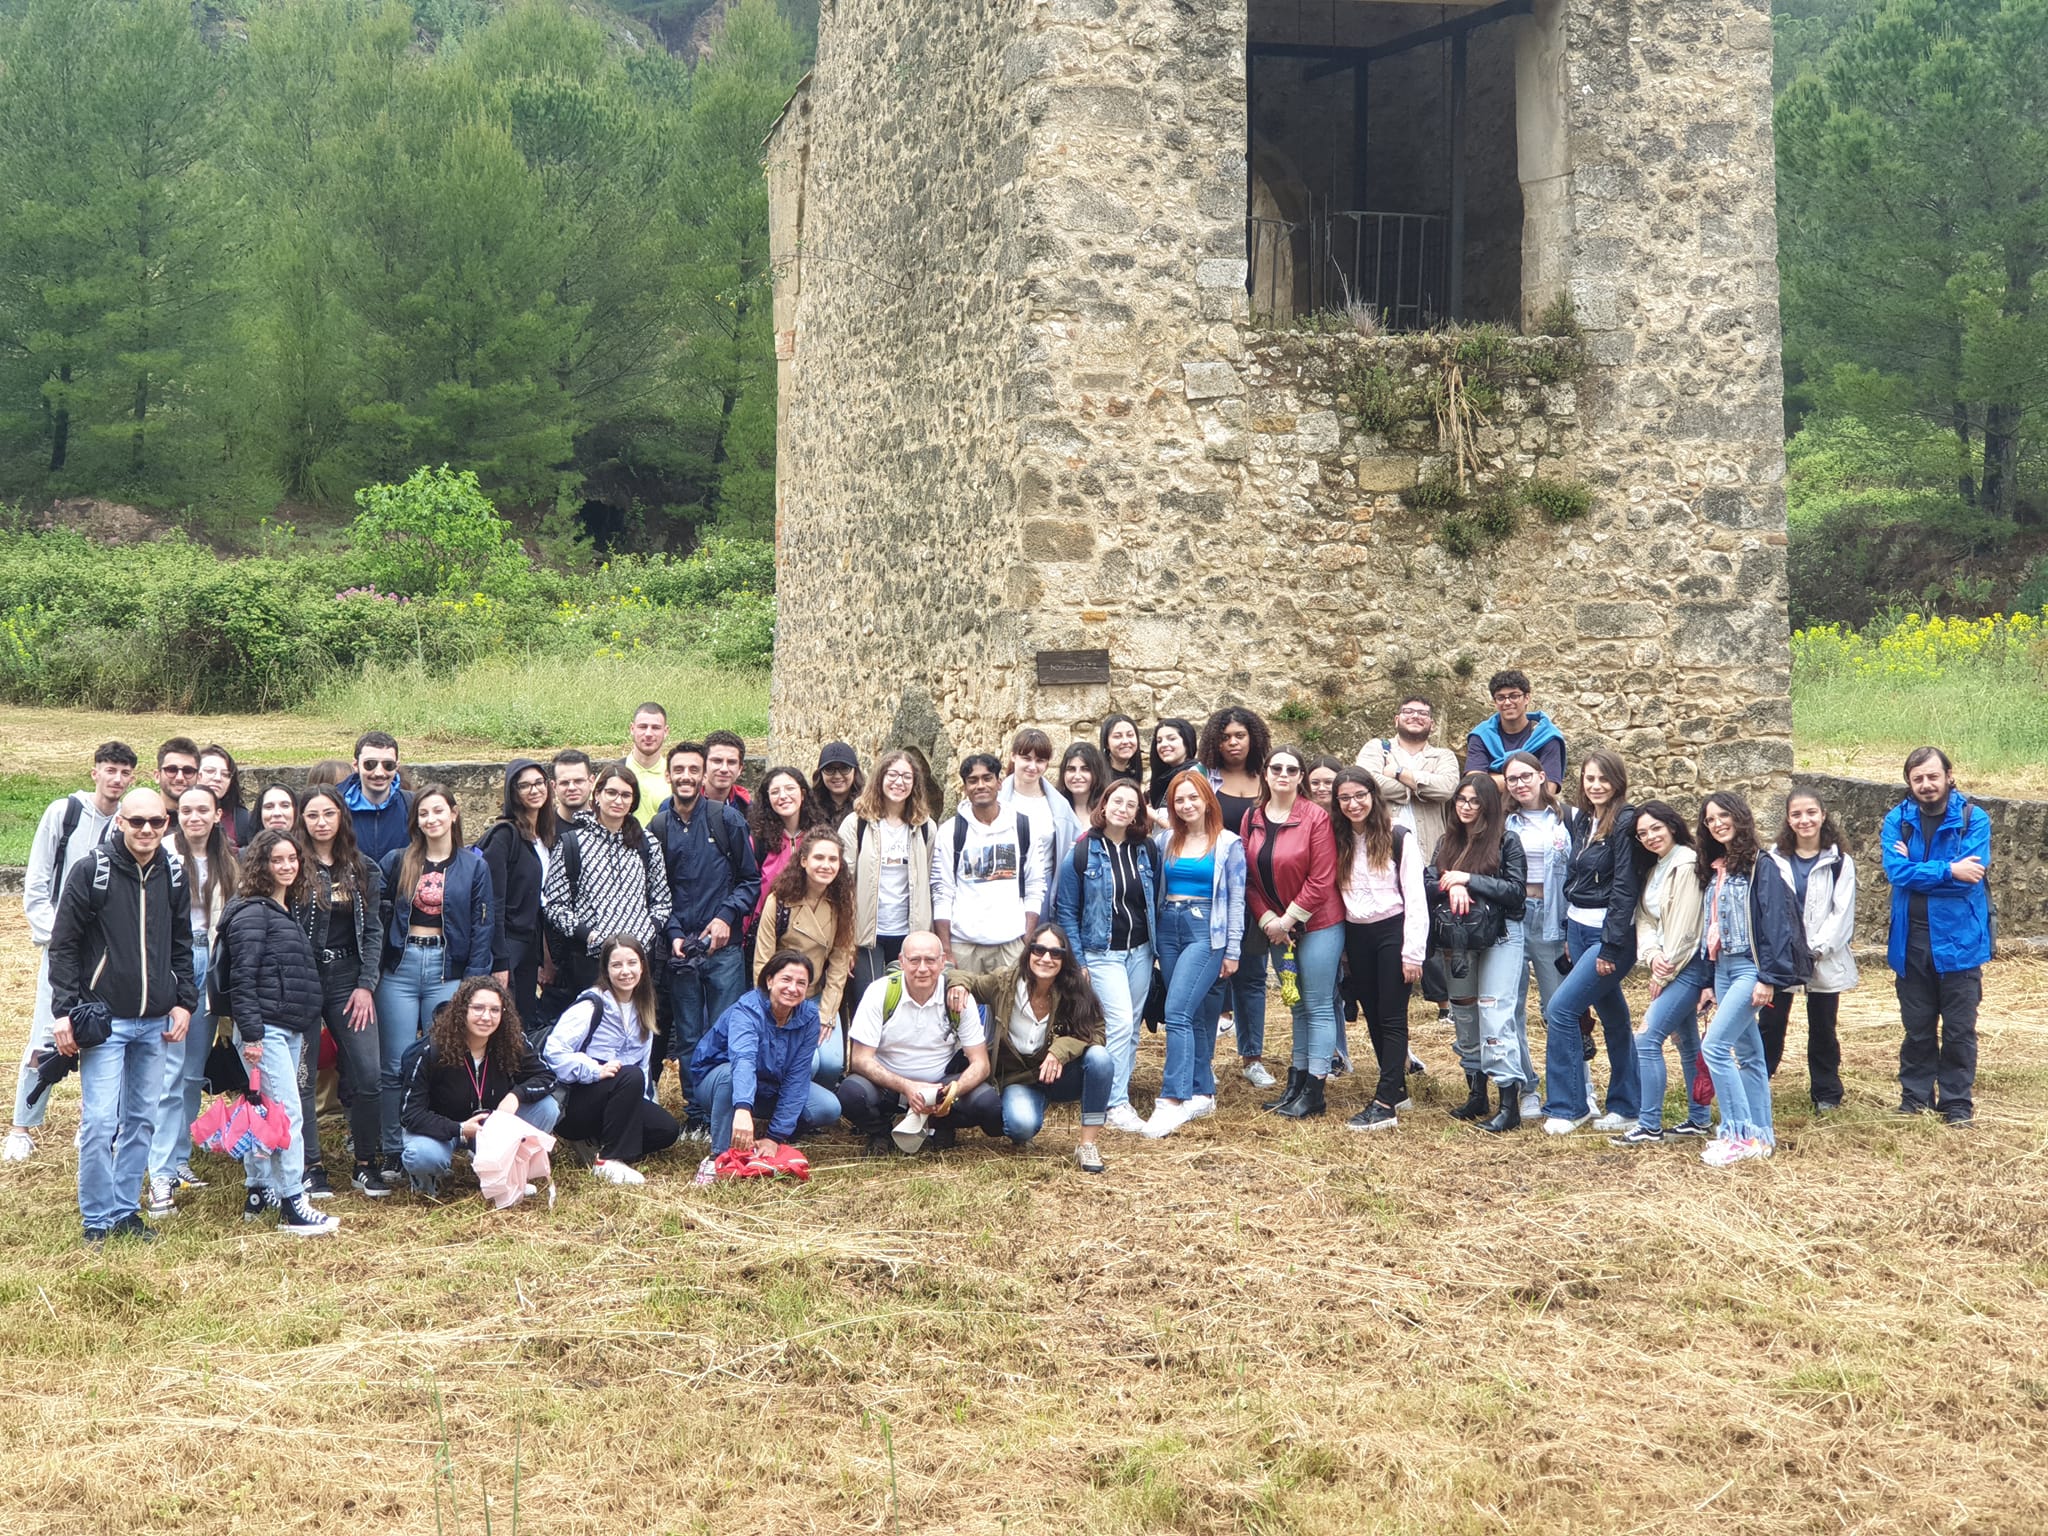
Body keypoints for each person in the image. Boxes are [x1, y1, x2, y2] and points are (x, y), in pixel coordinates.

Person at [46, 786, 196, 1243]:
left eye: (156, 822)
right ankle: (97, 1219)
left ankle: (126, 1211)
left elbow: (182, 944)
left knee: (142, 1120)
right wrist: (63, 1011)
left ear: (166, 824)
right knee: (98, 1123)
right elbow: (64, 945)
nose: (147, 830)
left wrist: (183, 1000)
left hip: (155, 1021)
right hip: (105, 1020)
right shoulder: (92, 870)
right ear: (120, 823)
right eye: (137, 822)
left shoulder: (173, 872)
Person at [6, 740, 133, 1163]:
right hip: (63, 949)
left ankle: (93, 1124)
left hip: (108, 955)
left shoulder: (131, 822)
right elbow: (37, 886)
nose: (116, 779)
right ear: (94, 771)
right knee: (47, 1034)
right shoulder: (65, 814)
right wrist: (59, 937)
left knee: (105, 1039)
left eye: (124, 772)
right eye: (109, 769)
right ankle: (22, 1126)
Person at [222, 829, 339, 1235]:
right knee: (288, 1114)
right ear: (261, 864)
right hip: (265, 1032)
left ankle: (259, 1191)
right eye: (278, 860)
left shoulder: (278, 909)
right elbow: (244, 978)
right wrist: (253, 1035)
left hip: (283, 1028)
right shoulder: (254, 912)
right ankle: (293, 1201)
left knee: (264, 1114)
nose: (287, 866)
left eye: (293, 859)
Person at [377, 784, 496, 1174]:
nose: (431, 820)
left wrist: (473, 985)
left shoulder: (473, 865)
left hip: (449, 969)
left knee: (444, 1057)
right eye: (423, 814)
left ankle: (446, 1137)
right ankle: (394, 1146)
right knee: (395, 1064)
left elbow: (483, 929)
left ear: (453, 814)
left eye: (438, 811)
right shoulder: (398, 861)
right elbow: (379, 916)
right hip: (401, 968)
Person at [648, 740, 759, 1138]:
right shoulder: (657, 828)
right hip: (680, 951)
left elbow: (751, 881)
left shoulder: (726, 821)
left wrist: (727, 916)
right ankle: (696, 1114)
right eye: (679, 770)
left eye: (693, 770)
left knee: (727, 1031)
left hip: (723, 950)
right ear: (669, 774)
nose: (686, 777)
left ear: (702, 775)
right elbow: (654, 891)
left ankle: (724, 1112)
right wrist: (674, 932)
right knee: (690, 1036)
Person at [1693, 792, 1802, 1166]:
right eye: (1710, 819)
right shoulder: (1715, 866)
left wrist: (1768, 977)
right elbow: (1710, 926)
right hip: (1722, 967)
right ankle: (1761, 1135)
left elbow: (1776, 923)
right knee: (1751, 1055)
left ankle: (1737, 1133)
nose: (1717, 823)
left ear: (1740, 817)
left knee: (1715, 1048)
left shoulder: (1761, 865)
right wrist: (1708, 980)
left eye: (1724, 815)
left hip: (1749, 969)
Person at [1882, 747, 1990, 1125]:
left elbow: (1969, 880)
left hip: (1960, 943)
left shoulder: (1973, 820)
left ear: (1948, 776)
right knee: (1917, 1028)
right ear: (1909, 782)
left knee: (1960, 1030)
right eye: (1918, 779)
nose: (1926, 785)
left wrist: (1917, 867)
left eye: (1932, 776)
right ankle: (1915, 1098)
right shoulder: (1897, 820)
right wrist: (1948, 869)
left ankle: (1956, 1102)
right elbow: (1896, 873)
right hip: (1910, 943)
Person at [949, 923, 1113, 1171]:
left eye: (1055, 953)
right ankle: (1025, 1118)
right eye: (1039, 950)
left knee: (1100, 1059)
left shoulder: (1075, 988)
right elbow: (964, 978)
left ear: (1064, 958)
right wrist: (958, 985)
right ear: (1029, 952)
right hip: (1020, 1078)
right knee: (1021, 1126)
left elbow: (1097, 1033)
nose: (1046, 958)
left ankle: (1087, 1144)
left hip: (1061, 1076)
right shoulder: (1005, 982)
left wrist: (1060, 1050)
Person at [1538, 751, 1642, 1136]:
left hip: (1608, 934)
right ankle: (1628, 1105)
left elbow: (1624, 889)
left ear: (1617, 781)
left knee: (1562, 1009)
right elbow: (1575, 879)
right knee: (1614, 1015)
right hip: (1579, 929)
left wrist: (1612, 946)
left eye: (1603, 779)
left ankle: (1569, 1106)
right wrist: (1569, 932)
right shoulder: (1582, 820)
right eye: (1588, 778)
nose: (1595, 785)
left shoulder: (1625, 822)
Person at [145, 785, 235, 1214]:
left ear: (218, 814)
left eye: (204, 810)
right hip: (173, 964)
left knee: (192, 1075)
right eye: (187, 810)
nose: (194, 816)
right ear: (176, 814)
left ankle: (179, 1160)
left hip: (213, 965)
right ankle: (159, 1170)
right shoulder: (161, 853)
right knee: (168, 1072)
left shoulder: (229, 861)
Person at [296, 784, 389, 1196]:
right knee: (301, 1077)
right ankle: (310, 1164)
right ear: (302, 820)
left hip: (349, 979)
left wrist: (367, 985)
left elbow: (373, 932)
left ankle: (366, 1162)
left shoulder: (362, 867)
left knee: (369, 1075)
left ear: (341, 818)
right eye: (313, 815)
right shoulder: (291, 863)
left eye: (328, 814)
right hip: (302, 982)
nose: (321, 822)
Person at [1242, 745, 1343, 1119]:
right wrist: (1268, 918)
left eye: (1291, 769)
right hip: (1276, 928)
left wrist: (1288, 920)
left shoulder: (1315, 817)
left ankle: (1315, 1089)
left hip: (1317, 924)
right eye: (1276, 768)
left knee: (1316, 1006)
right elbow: (1248, 877)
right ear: (1265, 774)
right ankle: (1296, 1083)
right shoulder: (1252, 816)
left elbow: (1321, 879)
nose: (1283, 775)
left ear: (1301, 777)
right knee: (1296, 1006)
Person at [1054, 779, 1160, 1134]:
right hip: (1102, 954)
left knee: (1130, 1028)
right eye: (1118, 801)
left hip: (1140, 951)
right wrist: (1079, 960)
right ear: (1105, 804)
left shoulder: (1146, 849)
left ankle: (1117, 1093)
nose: (1123, 809)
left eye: (1132, 805)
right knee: (1116, 1025)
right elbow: (1066, 909)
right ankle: (1113, 1104)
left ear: (1137, 813)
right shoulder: (1083, 850)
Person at [1426, 774, 1529, 1133]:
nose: (1467, 807)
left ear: (1488, 804)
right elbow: (1427, 883)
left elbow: (1516, 892)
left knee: (1495, 1011)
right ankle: (1476, 1091)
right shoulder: (1447, 841)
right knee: (1464, 1012)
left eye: (1474, 801)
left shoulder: (1506, 841)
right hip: (1457, 938)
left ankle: (1508, 1102)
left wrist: (1466, 880)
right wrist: (1448, 884)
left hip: (1500, 934)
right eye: (1461, 800)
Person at [1144, 770, 1243, 1139]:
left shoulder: (1228, 844)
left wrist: (1231, 950)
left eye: (1192, 798)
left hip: (1206, 931)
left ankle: (1173, 1098)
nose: (1186, 806)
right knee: (1198, 1013)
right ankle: (1203, 1089)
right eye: (1179, 800)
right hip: (1170, 926)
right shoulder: (1165, 840)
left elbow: (1235, 902)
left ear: (1206, 800)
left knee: (1177, 1011)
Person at [836, 931, 998, 1154]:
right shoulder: (880, 992)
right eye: (914, 960)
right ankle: (881, 1131)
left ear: (943, 963)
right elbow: (860, 1060)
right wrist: (908, 1087)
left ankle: (940, 1123)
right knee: (850, 1094)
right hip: (888, 1087)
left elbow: (981, 1064)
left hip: (942, 1085)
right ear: (901, 961)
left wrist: (951, 1093)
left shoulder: (959, 997)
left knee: (987, 1102)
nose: (922, 968)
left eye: (930, 960)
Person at [398, 977, 560, 1197]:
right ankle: (425, 1184)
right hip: (444, 1129)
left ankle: (500, 1169)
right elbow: (410, 1114)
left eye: (495, 1010)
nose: (487, 1017)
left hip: (491, 1127)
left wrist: (516, 1095)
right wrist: (460, 1128)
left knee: (547, 1107)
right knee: (423, 1155)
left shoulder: (511, 1042)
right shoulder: (430, 1050)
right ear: (461, 1010)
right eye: (478, 1008)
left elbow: (547, 1077)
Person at [1331, 769, 1426, 1131]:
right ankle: (1397, 1087)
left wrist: (1412, 952)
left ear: (1373, 795)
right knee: (1371, 1012)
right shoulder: (1337, 839)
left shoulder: (1398, 836)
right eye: (1345, 798)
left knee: (1392, 1014)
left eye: (1360, 795)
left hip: (1392, 931)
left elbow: (1415, 898)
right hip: (1357, 935)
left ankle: (1385, 1104)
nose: (1353, 804)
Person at [1610, 802, 1709, 1147]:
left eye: (1655, 828)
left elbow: (1685, 929)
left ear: (1671, 825)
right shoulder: (1656, 869)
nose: (1650, 837)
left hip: (1687, 967)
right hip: (1666, 963)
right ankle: (1698, 1118)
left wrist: (1662, 973)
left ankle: (1649, 1123)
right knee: (1686, 1043)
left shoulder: (1685, 864)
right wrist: (1651, 956)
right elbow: (1646, 920)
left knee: (1647, 1039)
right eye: (1642, 833)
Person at [544, 936, 681, 1182]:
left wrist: (646, 1105)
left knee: (666, 1130)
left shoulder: (644, 1008)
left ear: (643, 966)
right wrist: (593, 1070)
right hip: (578, 1103)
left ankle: (595, 1144)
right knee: (629, 1075)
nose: (625, 971)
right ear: (606, 970)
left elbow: (644, 1066)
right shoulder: (592, 1004)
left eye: (632, 963)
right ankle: (610, 1159)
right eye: (616, 965)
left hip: (620, 1097)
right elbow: (553, 1051)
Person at [689, 949, 842, 1163]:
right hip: (718, 1085)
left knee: (828, 1107)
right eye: (786, 979)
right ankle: (720, 1156)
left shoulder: (808, 1018)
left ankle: (775, 1136)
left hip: (768, 1086)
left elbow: (797, 1077)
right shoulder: (747, 1010)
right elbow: (743, 1061)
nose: (792, 988)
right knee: (730, 1076)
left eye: (801, 983)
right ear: (769, 981)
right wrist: (742, 1109)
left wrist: (774, 1137)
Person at [541, 763, 673, 1011]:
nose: (618, 800)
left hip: (638, 958)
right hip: (590, 960)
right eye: (611, 792)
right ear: (597, 795)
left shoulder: (648, 843)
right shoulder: (572, 843)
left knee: (637, 1027)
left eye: (625, 795)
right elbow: (555, 906)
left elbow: (662, 901)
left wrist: (647, 930)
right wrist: (587, 934)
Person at [1761, 789, 1857, 1112]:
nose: (1805, 820)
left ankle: (1826, 1094)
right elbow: (1769, 909)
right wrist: (1785, 950)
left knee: (1823, 1029)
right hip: (1782, 958)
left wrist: (1815, 950)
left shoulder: (1839, 861)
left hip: (1822, 959)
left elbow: (1842, 913)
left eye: (1811, 813)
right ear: (1788, 819)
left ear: (1823, 814)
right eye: (1797, 814)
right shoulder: (1774, 860)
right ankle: (1757, 1086)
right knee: (1770, 1026)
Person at [1198, 706, 1275, 1087]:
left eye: (1239, 736)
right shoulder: (1203, 779)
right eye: (1225, 737)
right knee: (1213, 976)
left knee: (1252, 977)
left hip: (1258, 892)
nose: (1232, 743)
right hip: (1214, 892)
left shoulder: (1267, 778)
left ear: (1253, 738)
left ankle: (1252, 1057)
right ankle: (1204, 1058)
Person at [752, 830, 857, 1083]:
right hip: (783, 995)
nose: (826, 865)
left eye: (833, 859)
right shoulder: (779, 901)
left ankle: (816, 1112)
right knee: (808, 1064)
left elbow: (840, 965)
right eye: (818, 857)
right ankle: (790, 1112)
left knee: (832, 1065)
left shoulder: (842, 903)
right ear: (803, 861)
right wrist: (773, 1009)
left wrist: (828, 1014)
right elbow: (762, 961)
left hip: (817, 995)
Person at [837, 748, 936, 1005]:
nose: (898, 782)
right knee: (869, 1003)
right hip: (867, 933)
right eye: (892, 775)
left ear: (915, 783)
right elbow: (843, 883)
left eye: (906, 777)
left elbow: (929, 882)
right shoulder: (856, 824)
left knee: (906, 1005)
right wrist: (845, 939)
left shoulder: (924, 827)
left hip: (909, 932)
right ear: (880, 778)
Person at [932, 753, 1046, 975]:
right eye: (973, 780)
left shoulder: (1023, 826)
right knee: (960, 1008)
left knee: (1010, 1009)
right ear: (965, 787)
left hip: (1010, 944)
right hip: (964, 946)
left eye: (987, 778)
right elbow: (942, 890)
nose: (980, 785)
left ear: (999, 783)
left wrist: (1026, 938)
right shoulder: (951, 832)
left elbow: (1035, 884)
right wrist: (945, 947)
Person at [1501, 751, 1567, 1118]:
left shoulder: (1566, 818)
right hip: (1512, 915)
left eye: (1526, 776)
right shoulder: (1502, 822)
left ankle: (1573, 1086)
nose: (1520, 784)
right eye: (1513, 779)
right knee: (1512, 1007)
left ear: (1542, 777)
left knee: (1559, 1007)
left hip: (1552, 917)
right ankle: (1526, 1086)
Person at [475, 759, 559, 1027]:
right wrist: (500, 960)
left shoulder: (544, 836)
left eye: (539, 783)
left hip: (530, 943)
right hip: (506, 943)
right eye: (524, 786)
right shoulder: (504, 836)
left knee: (523, 1020)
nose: (534, 790)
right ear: (513, 793)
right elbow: (493, 902)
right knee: (502, 1021)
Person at [999, 727, 1080, 907]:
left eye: (1040, 760)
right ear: (1013, 756)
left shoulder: (1059, 807)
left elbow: (1074, 849)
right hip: (1001, 888)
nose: (1032, 766)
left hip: (1044, 891)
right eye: (1026, 758)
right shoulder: (996, 800)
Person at [1465, 670, 1566, 791]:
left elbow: (1549, 788)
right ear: (1494, 702)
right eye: (1501, 698)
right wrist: (1529, 780)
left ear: (1527, 698)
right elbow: (1475, 783)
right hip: (1491, 808)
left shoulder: (1547, 737)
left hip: (1532, 809)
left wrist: (1490, 778)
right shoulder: (1481, 735)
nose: (1507, 702)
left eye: (1514, 696)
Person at [746, 767, 818, 928]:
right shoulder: (758, 841)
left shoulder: (818, 837)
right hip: (769, 928)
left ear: (803, 794)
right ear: (767, 799)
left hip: (811, 929)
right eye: (775, 792)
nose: (783, 796)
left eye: (790, 789)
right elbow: (748, 886)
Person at [339, 731, 412, 863]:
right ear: (356, 765)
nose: (379, 773)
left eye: (388, 765)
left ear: (397, 766)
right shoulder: (335, 806)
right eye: (370, 764)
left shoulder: (413, 806)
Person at [198, 744, 255, 848]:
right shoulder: (175, 815)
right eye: (210, 771)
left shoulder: (243, 819)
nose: (218, 778)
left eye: (225, 774)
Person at [1145, 718, 1199, 820]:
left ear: (1187, 742)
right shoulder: (1162, 780)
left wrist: (1152, 814)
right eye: (1159, 741)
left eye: (1172, 738)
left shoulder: (1194, 774)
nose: (1164, 745)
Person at [624, 702, 670, 811]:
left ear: (666, 731)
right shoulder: (612, 773)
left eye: (655, 728)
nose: (648, 733)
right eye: (643, 727)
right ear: (632, 729)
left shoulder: (676, 776)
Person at [811, 741, 864, 826]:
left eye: (844, 768)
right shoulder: (810, 808)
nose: (837, 776)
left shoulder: (867, 806)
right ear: (820, 773)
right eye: (829, 769)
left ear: (855, 771)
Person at [1058, 741, 1110, 819]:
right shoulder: (1054, 808)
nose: (1077, 776)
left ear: (1097, 772)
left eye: (1085, 769)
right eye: (1071, 769)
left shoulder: (1109, 810)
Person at [704, 730, 752, 813]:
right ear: (703, 765)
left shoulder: (748, 809)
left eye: (731, 762)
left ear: (740, 769)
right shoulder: (686, 804)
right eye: (717, 761)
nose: (724, 769)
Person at [551, 749, 595, 825]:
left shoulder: (607, 825)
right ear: (554, 786)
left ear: (591, 782)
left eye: (578, 781)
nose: (572, 788)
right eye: (564, 783)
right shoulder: (542, 829)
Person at [1099, 714, 1143, 786]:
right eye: (1117, 736)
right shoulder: (1098, 778)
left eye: (1130, 735)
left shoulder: (1132, 775)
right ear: (1106, 743)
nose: (1125, 741)